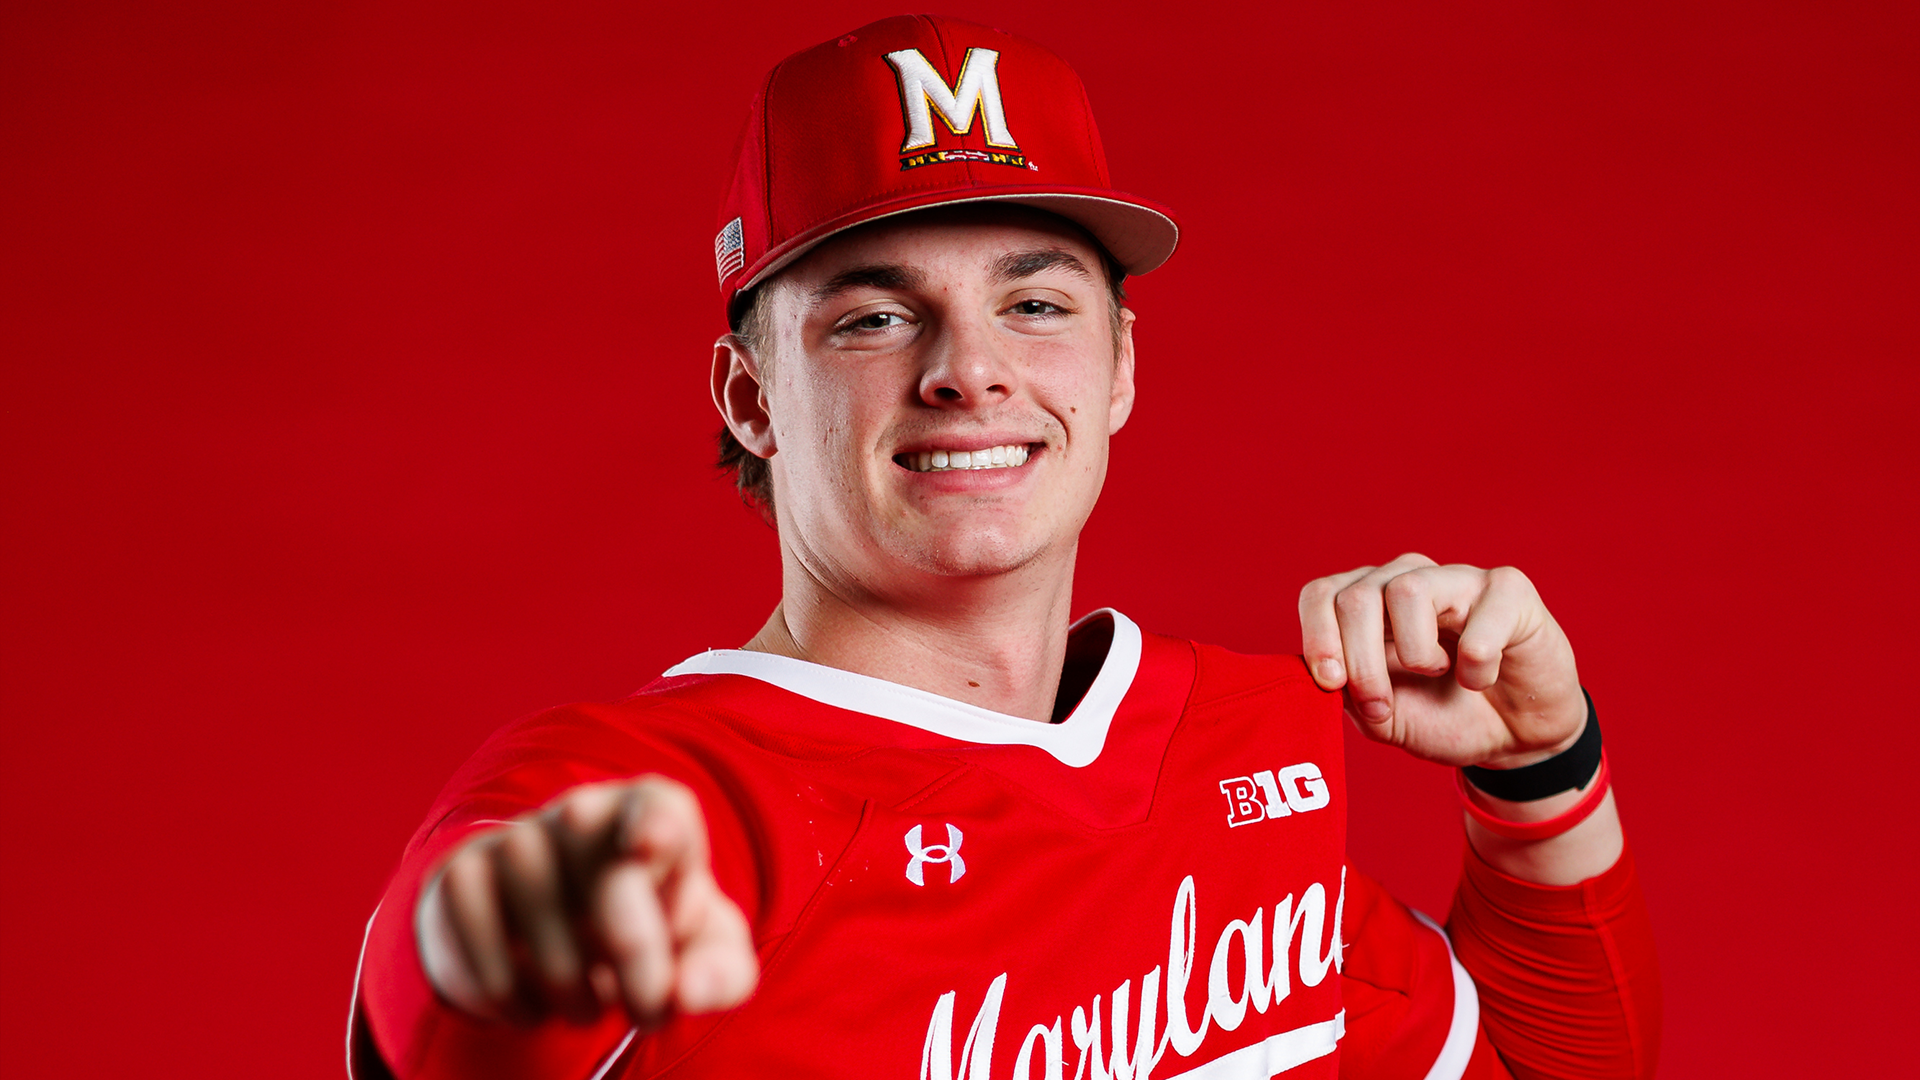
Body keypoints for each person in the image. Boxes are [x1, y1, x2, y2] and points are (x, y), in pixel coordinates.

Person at [350, 15, 1659, 1080]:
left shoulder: (1242, 752)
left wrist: (1544, 778)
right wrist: (485, 946)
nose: (969, 371)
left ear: (1122, 365)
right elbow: (472, 962)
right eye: (872, 319)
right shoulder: (656, 796)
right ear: (749, 396)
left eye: (1034, 303)